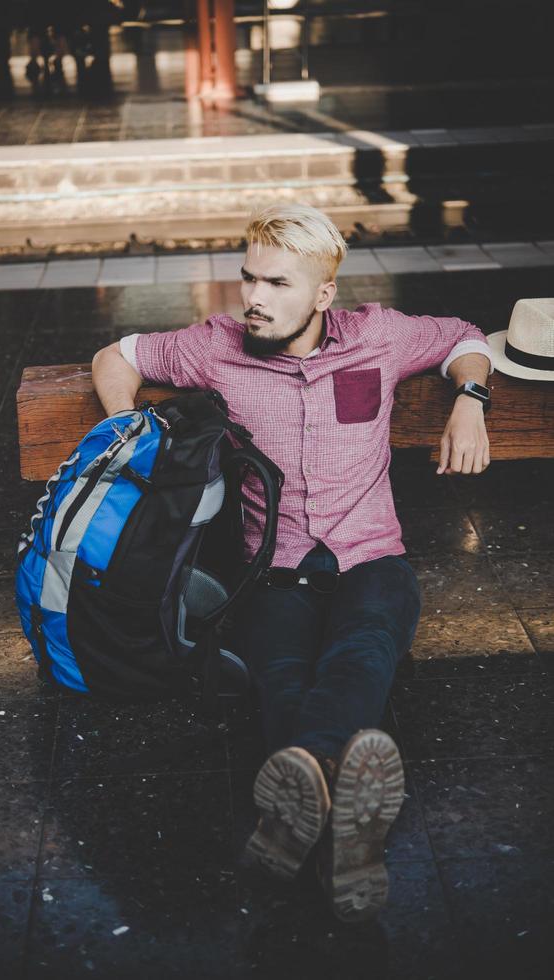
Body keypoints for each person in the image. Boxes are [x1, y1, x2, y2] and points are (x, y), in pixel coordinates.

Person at [91, 202, 493, 922]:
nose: (252, 298)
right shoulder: (215, 346)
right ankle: (347, 841)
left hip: (371, 556)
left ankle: (292, 820)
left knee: (362, 651)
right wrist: (127, 435)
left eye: (276, 284)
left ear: (323, 295)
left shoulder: (379, 336)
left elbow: (464, 338)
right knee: (282, 675)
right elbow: (116, 356)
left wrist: (470, 398)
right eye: (249, 279)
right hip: (271, 568)